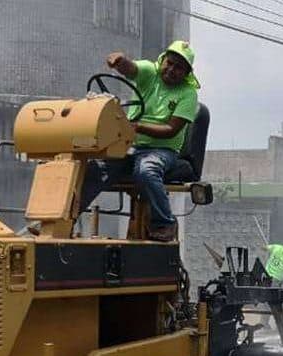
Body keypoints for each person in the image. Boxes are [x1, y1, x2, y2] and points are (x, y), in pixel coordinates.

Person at [79, 41, 200, 242]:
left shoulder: (187, 94)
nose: (171, 70)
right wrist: (119, 60)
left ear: (186, 73)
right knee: (94, 168)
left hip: (163, 150)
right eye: (169, 63)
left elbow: (171, 130)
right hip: (130, 146)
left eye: (179, 68)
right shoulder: (149, 72)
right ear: (163, 61)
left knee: (146, 170)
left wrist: (138, 127)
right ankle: (64, 218)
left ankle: (164, 223)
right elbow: (130, 68)